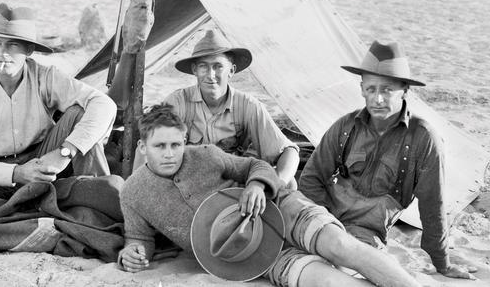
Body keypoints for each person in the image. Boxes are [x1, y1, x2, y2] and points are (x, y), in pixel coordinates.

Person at [117, 104, 421, 287]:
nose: (170, 154)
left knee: (340, 245)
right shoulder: (133, 193)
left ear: (184, 141)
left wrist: (256, 185)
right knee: (324, 281)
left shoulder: (206, 154)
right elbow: (138, 238)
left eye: (176, 145)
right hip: (245, 254)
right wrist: (132, 253)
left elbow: (255, 165)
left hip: (278, 207)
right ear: (143, 147)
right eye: (160, 147)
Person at [298, 41, 477, 280]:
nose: (378, 99)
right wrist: (322, 218)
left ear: (405, 90)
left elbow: (433, 206)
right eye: (371, 89)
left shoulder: (423, 139)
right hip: (323, 219)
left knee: (339, 275)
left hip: (364, 234)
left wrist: (442, 263)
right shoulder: (345, 127)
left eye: (387, 90)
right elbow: (311, 179)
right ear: (361, 89)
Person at [0, 2, 117, 224]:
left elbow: (104, 104)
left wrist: (64, 153)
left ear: (29, 50)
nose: (2, 53)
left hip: (44, 162)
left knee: (82, 112)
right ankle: (32, 212)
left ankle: (80, 195)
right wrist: (16, 173)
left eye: (12, 45)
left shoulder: (45, 76)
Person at [162, 29, 299, 188]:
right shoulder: (178, 103)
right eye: (203, 66)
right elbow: (151, 148)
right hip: (188, 184)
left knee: (290, 184)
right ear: (194, 70)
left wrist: (277, 183)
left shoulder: (247, 105)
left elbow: (289, 152)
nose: (210, 75)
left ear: (231, 71)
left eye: (218, 66)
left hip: (232, 184)